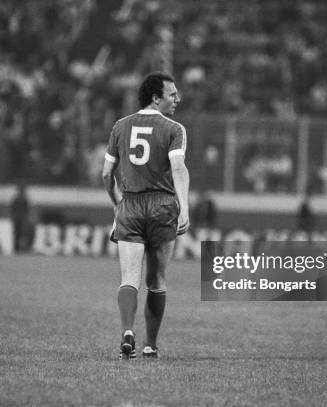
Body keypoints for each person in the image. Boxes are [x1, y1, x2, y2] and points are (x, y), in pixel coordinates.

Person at [102, 71, 190, 360]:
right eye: (172, 94)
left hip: (130, 203)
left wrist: (117, 202)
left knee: (129, 278)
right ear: (156, 98)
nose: (177, 98)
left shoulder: (120, 126)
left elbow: (106, 174)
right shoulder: (174, 129)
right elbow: (178, 169)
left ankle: (127, 330)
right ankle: (151, 345)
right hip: (163, 205)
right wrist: (184, 207)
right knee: (157, 280)